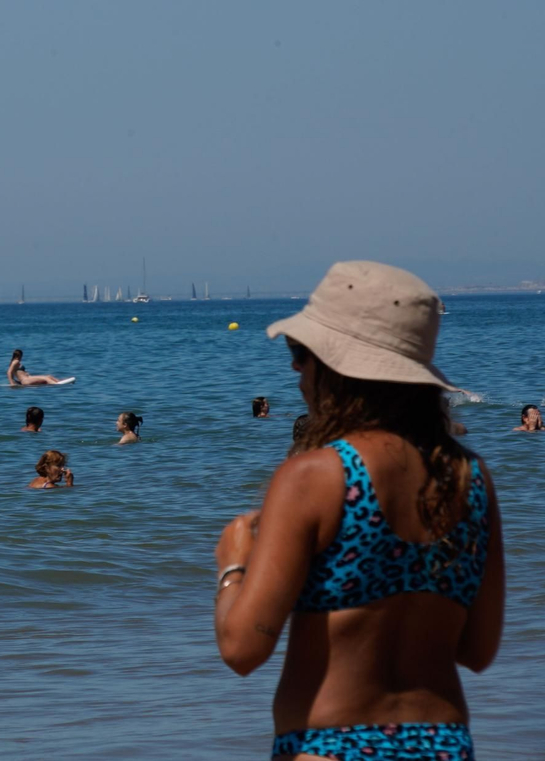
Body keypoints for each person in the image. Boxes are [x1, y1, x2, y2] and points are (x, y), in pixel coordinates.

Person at [213, 261, 504, 761]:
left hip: (330, 745)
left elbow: (242, 650)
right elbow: (477, 651)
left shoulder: (315, 477)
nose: (295, 368)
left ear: (339, 367)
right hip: (444, 745)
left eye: (301, 353)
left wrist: (233, 565)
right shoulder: (470, 478)